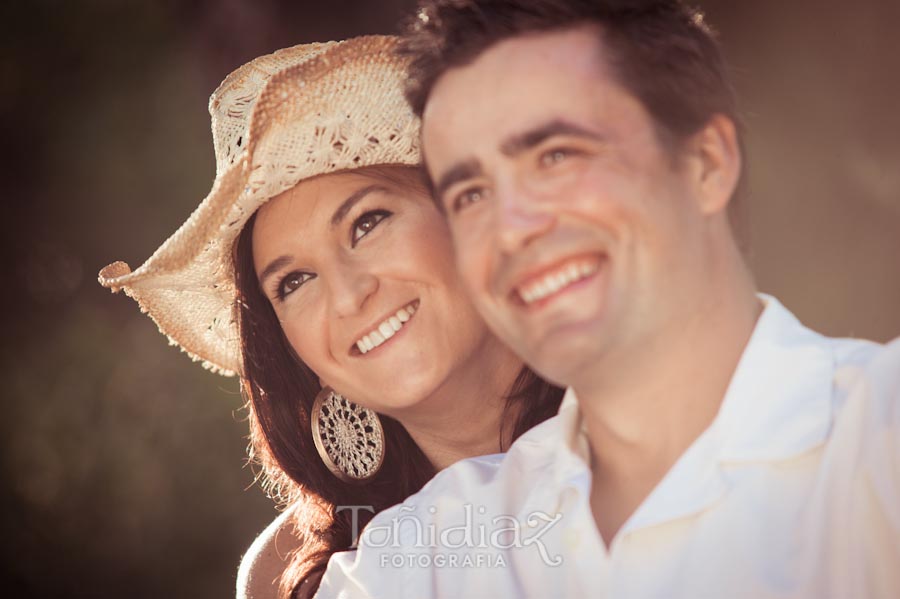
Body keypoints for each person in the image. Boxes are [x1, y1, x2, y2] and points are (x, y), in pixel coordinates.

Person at [315, 1, 900, 597]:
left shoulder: (880, 436)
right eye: (470, 194)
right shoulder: (419, 561)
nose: (509, 228)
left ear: (707, 163)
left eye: (556, 156)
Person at [98, 36, 562, 599]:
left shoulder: (666, 408)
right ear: (294, 350)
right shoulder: (294, 578)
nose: (346, 296)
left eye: (367, 224)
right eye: (294, 282)